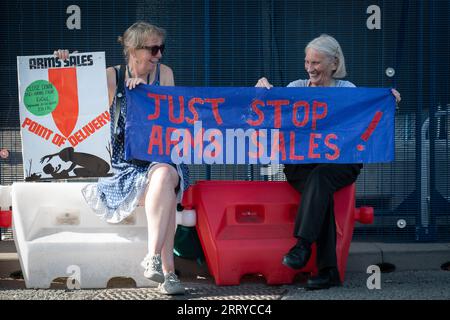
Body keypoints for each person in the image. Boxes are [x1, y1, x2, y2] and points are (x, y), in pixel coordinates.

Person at [255, 34, 401, 290]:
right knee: (318, 186)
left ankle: (302, 246)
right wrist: (262, 93)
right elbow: (266, 113)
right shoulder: (295, 88)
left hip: (341, 163)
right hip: (301, 164)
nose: (310, 68)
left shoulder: (347, 91)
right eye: (307, 62)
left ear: (334, 63)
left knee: (320, 179)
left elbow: (369, 117)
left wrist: (389, 103)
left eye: (317, 63)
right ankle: (328, 271)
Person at [54, 22, 189, 295]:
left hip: (158, 157)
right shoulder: (112, 75)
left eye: (161, 48)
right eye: (153, 49)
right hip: (124, 164)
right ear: (134, 50)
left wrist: (145, 96)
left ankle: (152, 257)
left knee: (163, 175)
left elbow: (167, 121)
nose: (159, 55)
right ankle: (169, 274)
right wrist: (65, 64)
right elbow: (73, 95)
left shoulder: (165, 75)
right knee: (163, 190)